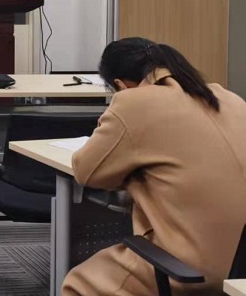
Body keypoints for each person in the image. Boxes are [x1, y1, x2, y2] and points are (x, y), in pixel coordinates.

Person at [63, 38, 246, 296]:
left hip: (191, 271)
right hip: (241, 271)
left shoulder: (133, 102)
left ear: (120, 85)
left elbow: (86, 171)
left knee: (78, 282)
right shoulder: (229, 98)